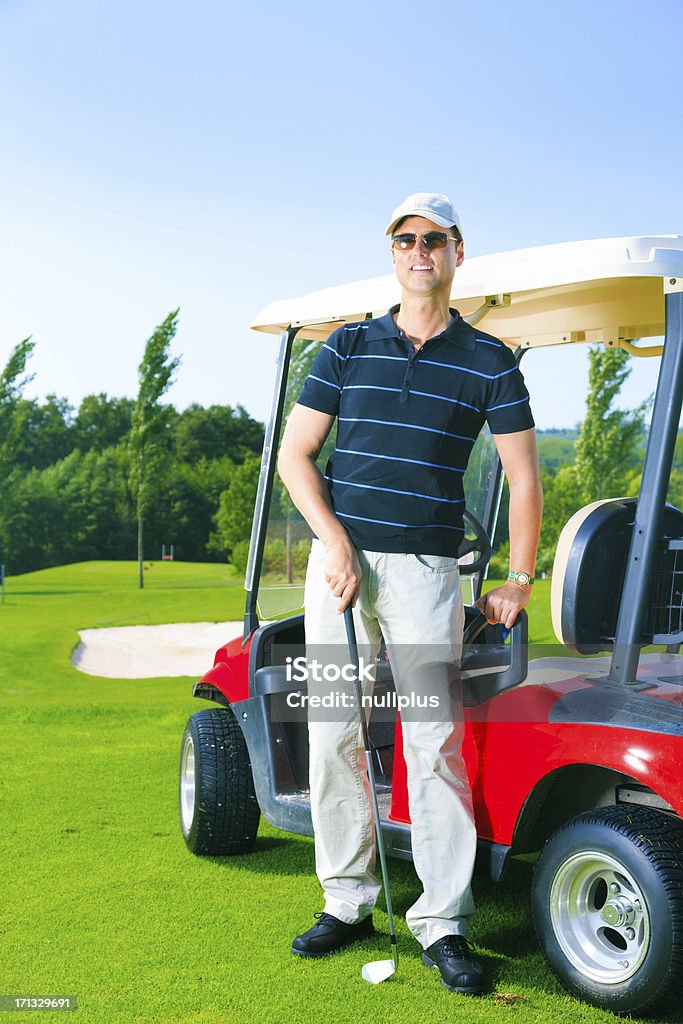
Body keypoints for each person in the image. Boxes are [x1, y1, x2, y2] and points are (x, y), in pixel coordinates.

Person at [277, 192, 543, 996]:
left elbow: (524, 479)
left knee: (431, 741)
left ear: (457, 251)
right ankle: (348, 900)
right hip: (339, 571)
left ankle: (443, 921)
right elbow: (296, 456)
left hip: (428, 575)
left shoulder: (489, 360)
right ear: (391, 252)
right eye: (404, 239)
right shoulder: (347, 347)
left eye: (432, 239)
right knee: (333, 736)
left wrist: (520, 577)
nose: (417, 250)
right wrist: (333, 543)